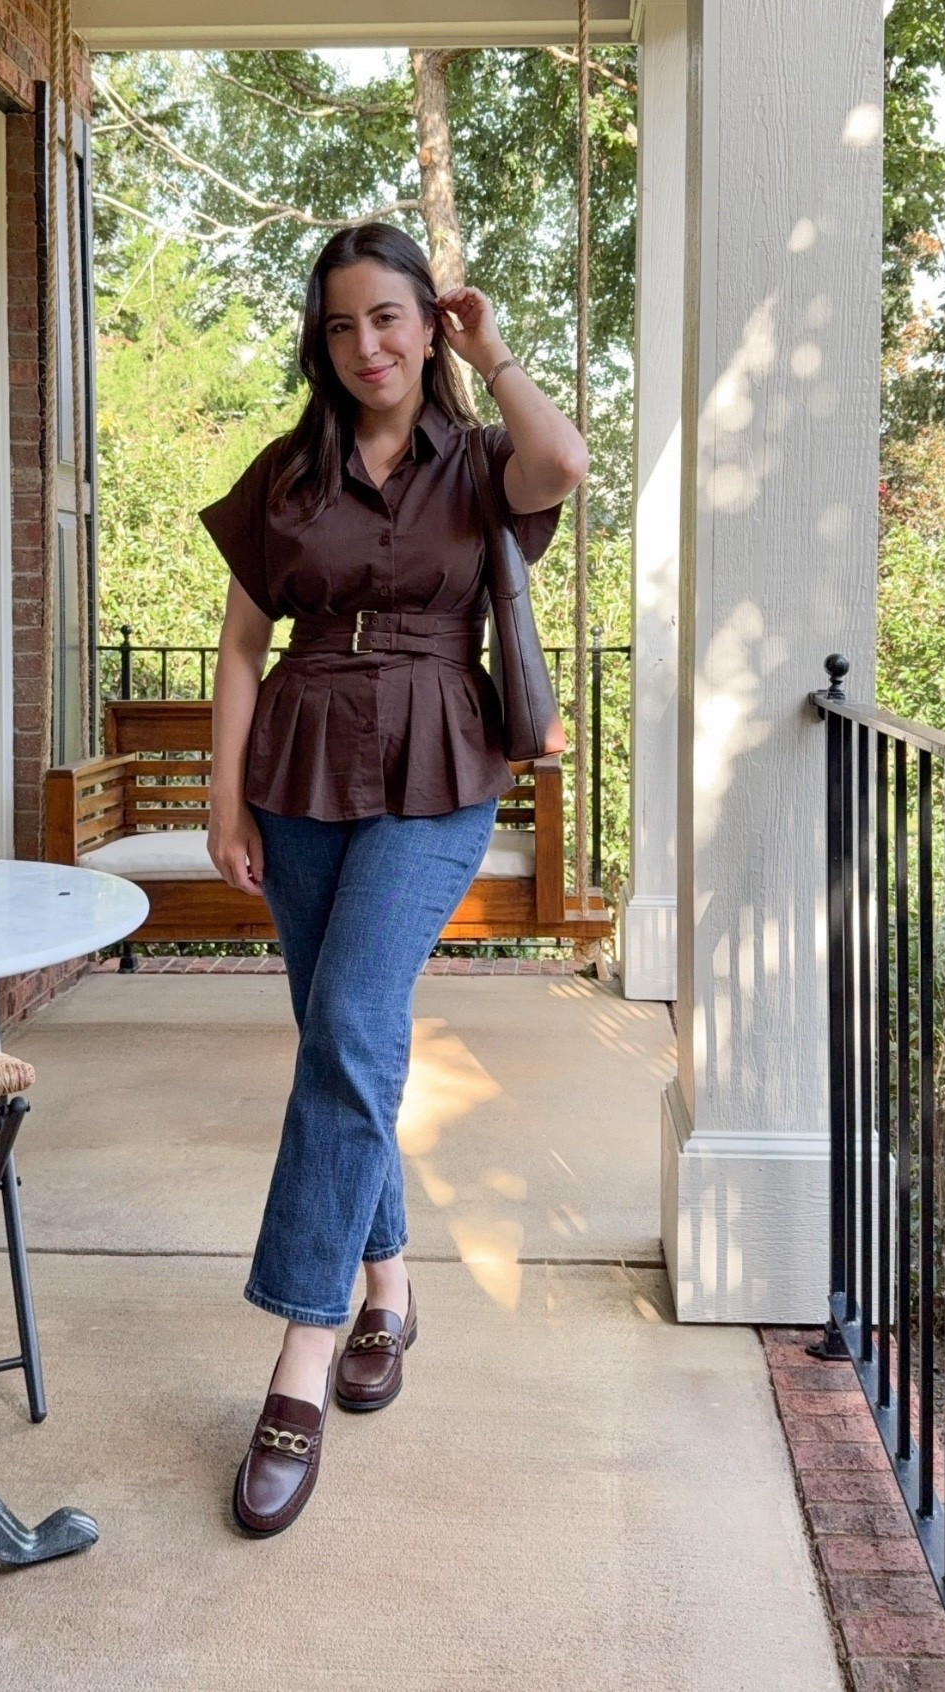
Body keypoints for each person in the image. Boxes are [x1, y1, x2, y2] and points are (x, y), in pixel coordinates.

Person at [198, 222, 588, 1538]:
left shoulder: (477, 463)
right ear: (321, 343)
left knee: (355, 1026)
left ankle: (299, 1360)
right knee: (340, 1045)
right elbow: (242, 646)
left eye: (389, 317)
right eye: (341, 324)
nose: (365, 343)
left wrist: (498, 351)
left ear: (429, 325)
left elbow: (564, 462)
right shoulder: (287, 472)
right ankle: (388, 1288)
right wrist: (221, 798)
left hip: (436, 766)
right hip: (299, 766)